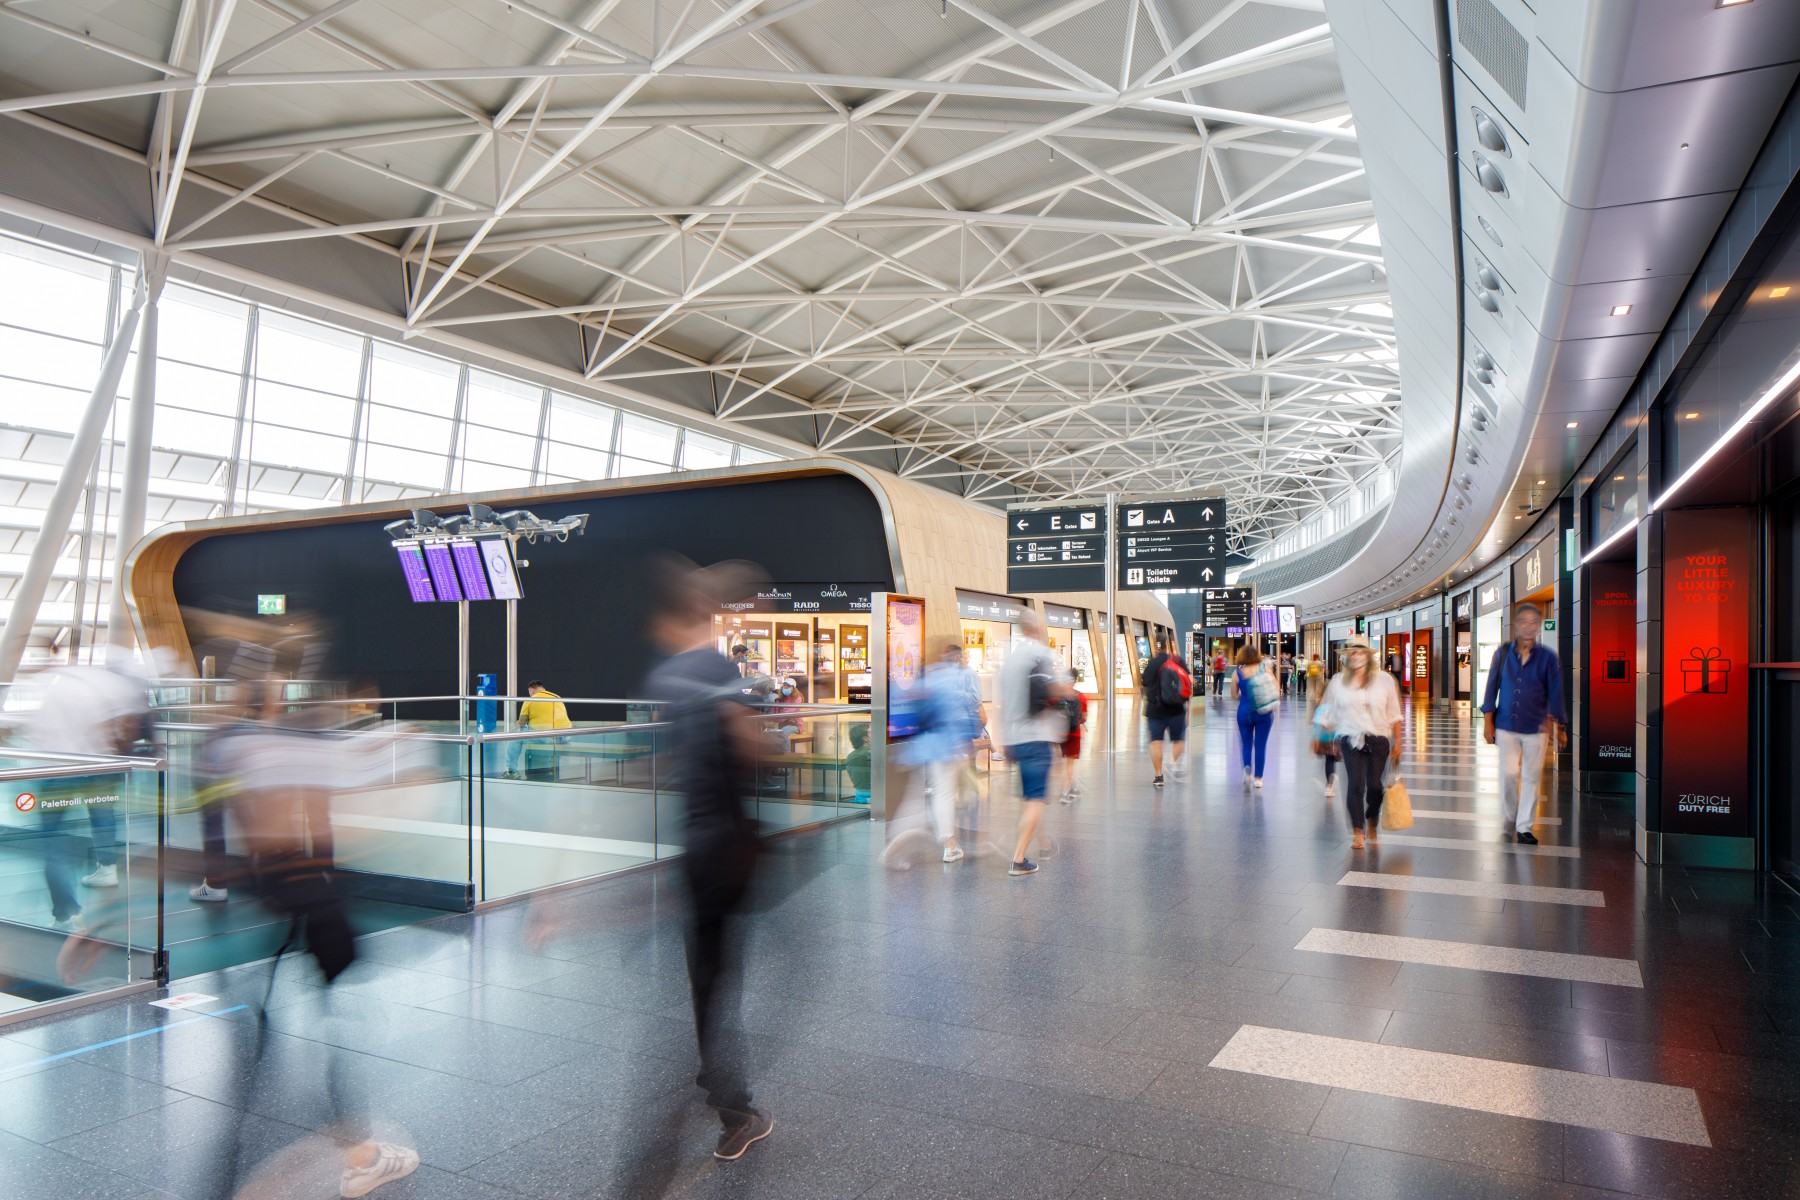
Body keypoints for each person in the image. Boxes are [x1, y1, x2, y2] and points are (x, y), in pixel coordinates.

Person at [644, 557, 776, 1161]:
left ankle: (711, 1075)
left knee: (704, 968)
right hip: (725, 845)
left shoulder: (665, 678)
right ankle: (735, 1109)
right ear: (702, 610)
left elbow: (668, 761)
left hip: (692, 844)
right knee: (722, 973)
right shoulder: (718, 668)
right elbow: (751, 748)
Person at [23, 664, 146, 930]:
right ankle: (108, 866)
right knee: (102, 815)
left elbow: (37, 733)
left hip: (55, 769)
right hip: (96, 765)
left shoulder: (55, 687)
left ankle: (66, 912)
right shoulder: (105, 684)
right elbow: (123, 724)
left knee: (52, 841)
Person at [1481, 602, 1568, 845]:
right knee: (1509, 774)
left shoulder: (1548, 658)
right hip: (1506, 724)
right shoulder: (1503, 653)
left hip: (1535, 727)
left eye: (1533, 622)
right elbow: (1491, 688)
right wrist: (1488, 721)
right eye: (1524, 622)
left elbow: (1555, 692)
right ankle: (1509, 817)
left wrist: (1559, 726)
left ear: (1538, 626)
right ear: (1516, 625)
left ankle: (1525, 827)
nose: (1529, 627)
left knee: (1531, 777)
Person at [997, 610, 1067, 877]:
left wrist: (1003, 740)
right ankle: (1018, 859)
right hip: (1037, 736)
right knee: (1035, 799)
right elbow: (1054, 690)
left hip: (1015, 738)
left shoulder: (1011, 658)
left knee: (1030, 798)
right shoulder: (1042, 654)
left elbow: (1001, 702)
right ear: (1037, 628)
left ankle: (1043, 842)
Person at [1320, 638, 1404, 849]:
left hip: (1379, 738)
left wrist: (1398, 742)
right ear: (1347, 657)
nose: (1356, 656)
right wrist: (1321, 736)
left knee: (1375, 786)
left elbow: (1394, 713)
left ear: (1369, 656)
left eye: (1361, 652)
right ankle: (1358, 831)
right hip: (1350, 738)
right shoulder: (1338, 681)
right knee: (1356, 784)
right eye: (1352, 653)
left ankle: (1372, 818)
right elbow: (1327, 710)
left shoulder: (1385, 680)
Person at [1140, 634, 1190, 788]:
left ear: (1155, 645)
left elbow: (1144, 686)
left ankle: (1158, 776)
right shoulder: (1177, 660)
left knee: (1156, 742)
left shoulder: (1151, 664)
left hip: (1155, 709)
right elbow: (1187, 683)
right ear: (1168, 644)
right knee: (1179, 741)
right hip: (1176, 709)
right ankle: (1170, 762)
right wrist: (1187, 709)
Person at [502, 680, 572, 778]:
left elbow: (521, 724)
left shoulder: (531, 699)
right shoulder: (556, 697)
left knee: (515, 736)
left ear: (531, 690)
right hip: (565, 736)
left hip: (548, 737)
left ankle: (511, 771)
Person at [1233, 646, 1277, 789]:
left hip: (1244, 711)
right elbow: (1275, 688)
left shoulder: (1237, 672)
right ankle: (1258, 778)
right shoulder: (1265, 669)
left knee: (1246, 743)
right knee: (1260, 745)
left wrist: (1244, 695)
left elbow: (1234, 695)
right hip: (1264, 711)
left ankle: (1247, 768)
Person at [1057, 670, 1089, 804]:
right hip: (1074, 734)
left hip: (1060, 734)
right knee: (1070, 765)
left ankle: (1072, 788)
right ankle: (1064, 792)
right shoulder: (1080, 697)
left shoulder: (1057, 696)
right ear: (1074, 681)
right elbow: (1084, 717)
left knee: (1064, 763)